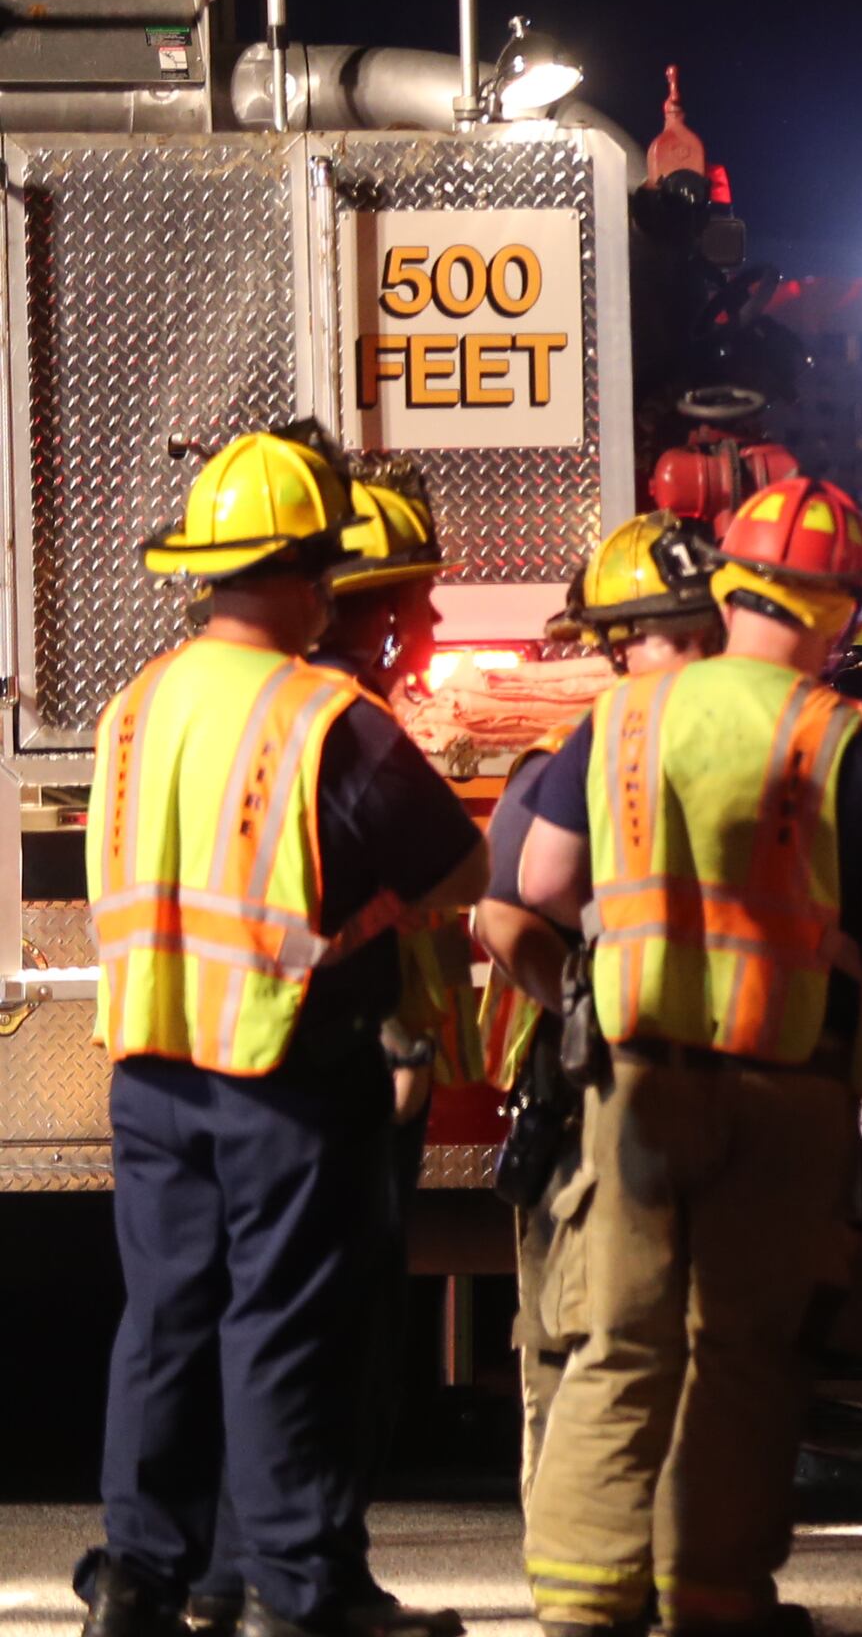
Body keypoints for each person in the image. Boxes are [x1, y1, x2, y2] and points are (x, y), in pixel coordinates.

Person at [510, 477, 862, 1637]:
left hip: (635, 1080)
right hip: (785, 1079)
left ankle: (580, 1599)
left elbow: (544, 884)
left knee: (622, 1338)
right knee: (744, 1352)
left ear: (729, 584)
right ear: (840, 611)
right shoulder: (839, 737)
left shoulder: (624, 717)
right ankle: (711, 1594)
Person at [74, 428, 483, 1637]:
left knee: (163, 1320)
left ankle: (141, 1578)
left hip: (151, 1059)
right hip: (282, 1066)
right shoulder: (326, 717)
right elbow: (458, 867)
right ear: (305, 573)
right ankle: (302, 1591)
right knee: (283, 1323)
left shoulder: (136, 706)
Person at [465, 512, 728, 1494]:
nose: (697, 655)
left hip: (685, 1066)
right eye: (673, 636)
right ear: (620, 648)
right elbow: (507, 912)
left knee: (672, 1330)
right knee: (585, 1328)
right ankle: (580, 1554)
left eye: (708, 632)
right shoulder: (573, 751)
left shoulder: (718, 740)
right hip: (588, 1081)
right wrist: (580, 999)